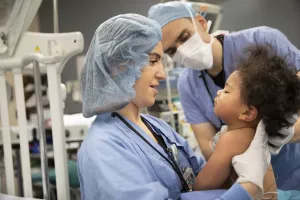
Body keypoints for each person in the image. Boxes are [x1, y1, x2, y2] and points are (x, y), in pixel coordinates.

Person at [78, 14, 269, 200]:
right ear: (117, 65)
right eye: (153, 60)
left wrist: (235, 155)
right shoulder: (104, 147)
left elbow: (199, 180)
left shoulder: (158, 128)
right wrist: (245, 191)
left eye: (161, 61)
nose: (161, 74)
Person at [148, 1, 300, 190]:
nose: (182, 49)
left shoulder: (263, 40)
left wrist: (287, 131)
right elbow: (208, 148)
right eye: (171, 50)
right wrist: (227, 155)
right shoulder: (187, 84)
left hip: (293, 168)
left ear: (201, 23)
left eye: (184, 36)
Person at [194, 44, 300, 199]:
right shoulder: (249, 133)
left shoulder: (233, 139)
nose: (218, 92)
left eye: (226, 90)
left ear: (247, 112)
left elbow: (203, 185)